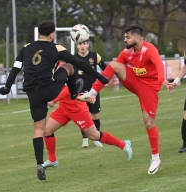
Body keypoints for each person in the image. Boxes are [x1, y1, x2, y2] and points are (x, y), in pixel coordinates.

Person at [0, 21, 108, 181]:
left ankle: (40, 164)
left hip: (31, 92)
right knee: (69, 67)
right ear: (51, 34)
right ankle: (72, 92)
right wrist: (100, 77)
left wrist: (7, 87)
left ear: (39, 33)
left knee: (38, 130)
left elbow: (16, 67)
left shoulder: (26, 47)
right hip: (50, 90)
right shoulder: (56, 48)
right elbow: (80, 63)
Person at [77, 24, 169, 175]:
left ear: (137, 38)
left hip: (150, 88)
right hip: (135, 81)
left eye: (128, 37)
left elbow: (159, 65)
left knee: (148, 123)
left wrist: (163, 80)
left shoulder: (149, 49)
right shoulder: (127, 52)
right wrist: (97, 87)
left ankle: (155, 157)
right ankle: (93, 92)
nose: (125, 40)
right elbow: (114, 67)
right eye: (125, 37)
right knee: (114, 65)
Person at [41, 82, 133, 173]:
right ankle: (52, 160)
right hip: (64, 107)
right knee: (47, 131)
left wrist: (54, 100)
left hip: (77, 108)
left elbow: (69, 88)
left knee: (94, 136)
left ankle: (123, 144)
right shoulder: (49, 70)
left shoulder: (63, 67)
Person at [74, 40, 107, 147]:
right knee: (83, 115)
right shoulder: (73, 58)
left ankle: (96, 137)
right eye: (80, 44)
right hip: (80, 94)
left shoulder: (94, 56)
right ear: (77, 46)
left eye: (84, 44)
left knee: (95, 115)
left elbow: (106, 69)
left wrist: (101, 85)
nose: (82, 46)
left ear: (88, 45)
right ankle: (85, 139)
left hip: (93, 92)